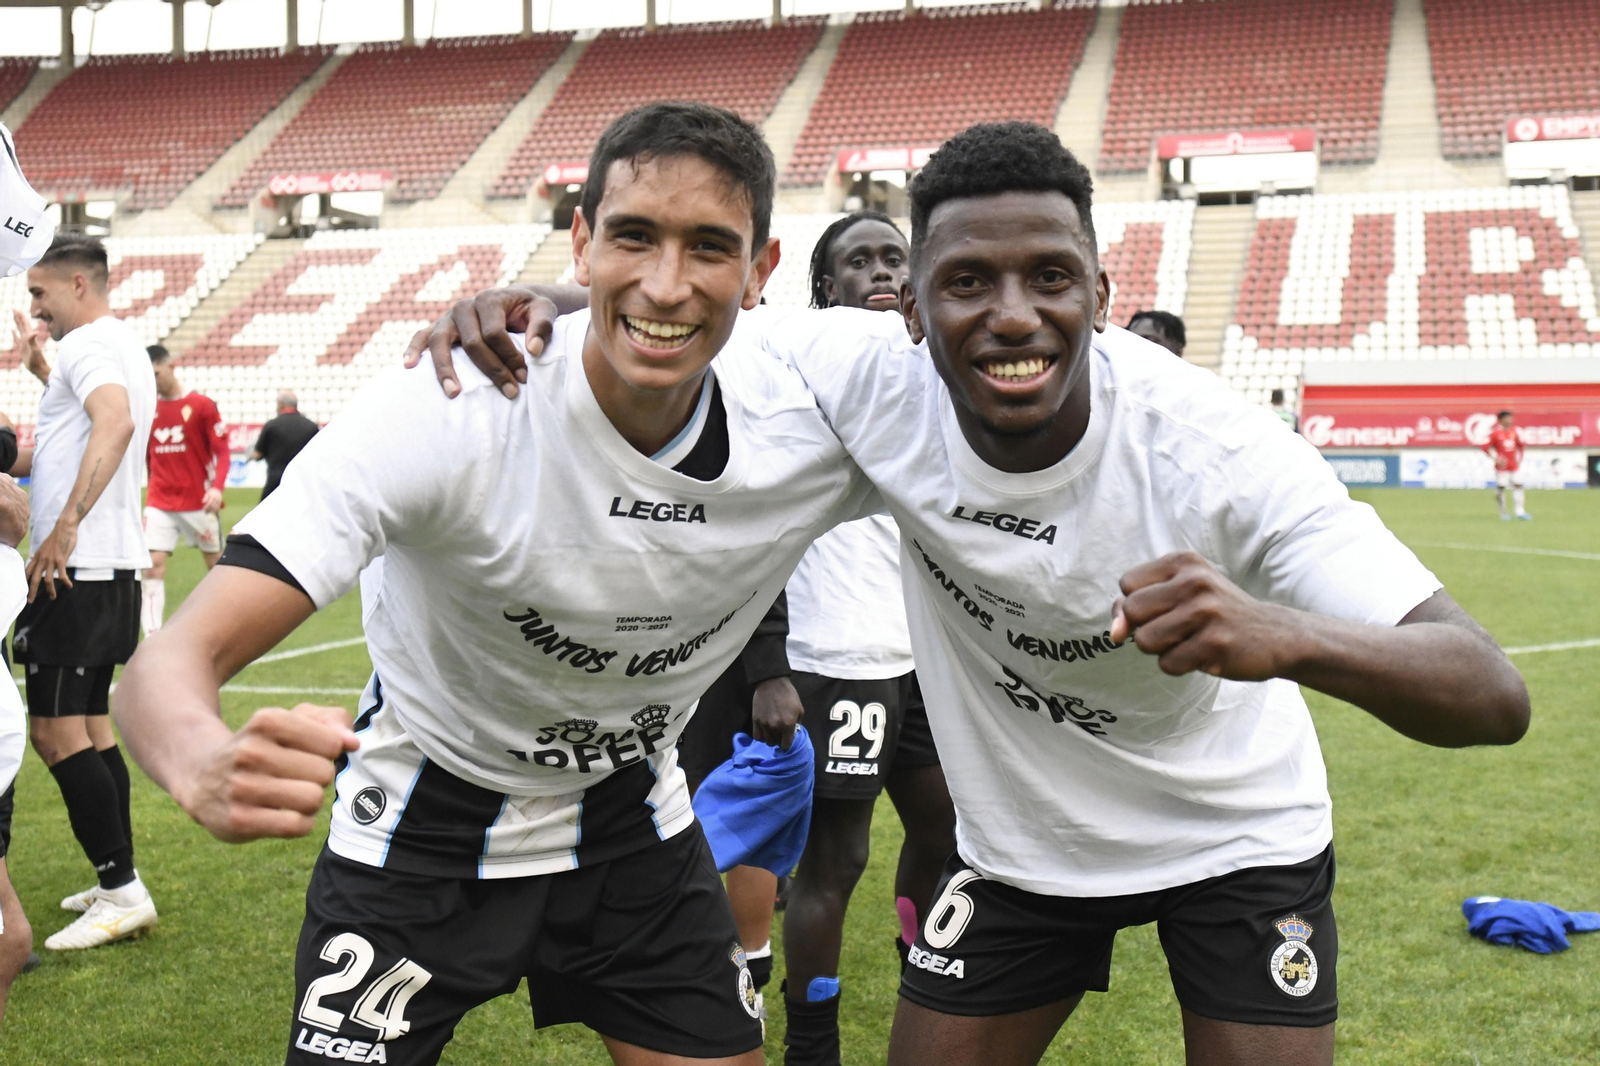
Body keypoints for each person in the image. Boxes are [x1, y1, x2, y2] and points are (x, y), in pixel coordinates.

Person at [416, 121, 1530, 1066]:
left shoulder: (1214, 449)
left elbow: (1488, 692)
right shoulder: (868, 379)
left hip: (1235, 836)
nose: (1009, 314)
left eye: (1049, 276)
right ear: (910, 306)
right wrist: (555, 296)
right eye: (965, 282)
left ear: (1099, 291)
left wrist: (1283, 634)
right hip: (1020, 853)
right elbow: (685, 308)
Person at [113, 102, 882, 1066]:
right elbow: (167, 663)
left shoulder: (811, 423)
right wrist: (196, 759)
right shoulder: (445, 409)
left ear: (762, 271)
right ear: (580, 241)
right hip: (418, 829)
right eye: (633, 237)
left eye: (710, 248)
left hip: (632, 820)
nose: (667, 284)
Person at [780, 210, 956, 1066]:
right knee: (834, 864)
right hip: (843, 656)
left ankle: (920, 967)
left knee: (947, 830)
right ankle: (813, 1042)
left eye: (897, 256)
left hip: (920, 657)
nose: (883, 271)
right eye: (860, 260)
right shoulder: (806, 351)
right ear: (825, 284)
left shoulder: (930, 361)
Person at [9, 234, 158, 951]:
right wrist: (44, 372)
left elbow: (115, 421)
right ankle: (115, 883)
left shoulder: (88, 346)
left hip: (78, 568)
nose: (35, 309)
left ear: (77, 284)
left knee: (55, 732)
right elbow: (86, 425)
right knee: (93, 729)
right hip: (113, 568)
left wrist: (65, 524)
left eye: (40, 294)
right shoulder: (117, 343)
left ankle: (123, 890)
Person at [675, 593, 805, 1030]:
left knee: (730, 807)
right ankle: (710, 971)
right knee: (695, 801)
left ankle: (745, 979)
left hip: (731, 641)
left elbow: (763, 545)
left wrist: (768, 668)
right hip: (682, 635)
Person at [142, 344, 230, 635]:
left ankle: (225, 624)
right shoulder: (147, 409)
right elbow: (147, 456)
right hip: (159, 501)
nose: (153, 380)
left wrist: (217, 488)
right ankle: (152, 636)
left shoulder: (202, 405)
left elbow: (223, 451)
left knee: (216, 566)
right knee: (152, 567)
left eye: (156, 372)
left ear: (171, 367)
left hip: (198, 502)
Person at [250, 390, 318, 500]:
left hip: (276, 480)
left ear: (281, 404)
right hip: (303, 481)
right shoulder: (311, 427)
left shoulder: (271, 425)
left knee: (268, 514)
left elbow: (257, 454)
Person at [1483, 410, 1529, 521]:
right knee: (1501, 488)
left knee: (1519, 485)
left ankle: (1520, 512)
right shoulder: (1495, 433)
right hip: (1502, 467)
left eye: (1511, 418)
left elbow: (1521, 446)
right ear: (1501, 419)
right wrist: (1495, 458)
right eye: (1508, 418)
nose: (1510, 420)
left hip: (1514, 466)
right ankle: (1503, 512)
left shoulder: (1514, 432)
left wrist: (1520, 459)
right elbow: (1485, 447)